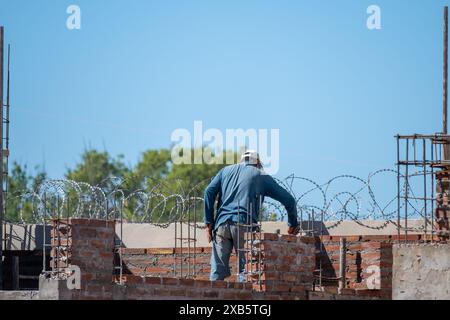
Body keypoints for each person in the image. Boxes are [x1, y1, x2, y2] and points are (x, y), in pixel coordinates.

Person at [204, 150, 300, 281]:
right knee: (246, 270)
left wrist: (209, 222)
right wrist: (293, 223)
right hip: (245, 225)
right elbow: (289, 200)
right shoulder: (260, 175)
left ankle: (211, 296)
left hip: (221, 225)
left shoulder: (225, 171)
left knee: (217, 272)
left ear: (242, 160)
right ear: (258, 163)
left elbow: (209, 191)